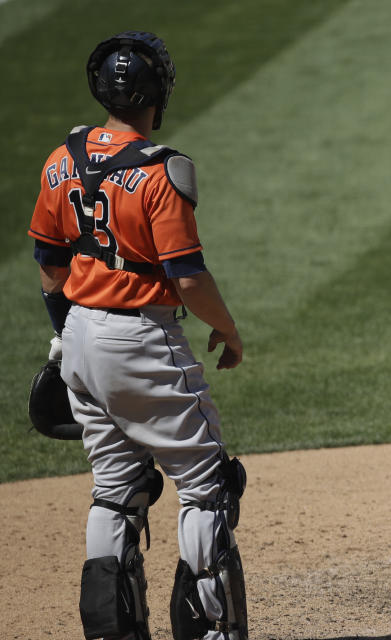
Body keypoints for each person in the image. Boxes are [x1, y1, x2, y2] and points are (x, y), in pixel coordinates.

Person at [28, 31, 248, 639]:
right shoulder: (160, 171)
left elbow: (50, 264)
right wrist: (227, 330)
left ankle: (113, 632)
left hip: (78, 337)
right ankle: (210, 632)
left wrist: (63, 336)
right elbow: (187, 276)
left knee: (114, 490)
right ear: (157, 95)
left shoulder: (59, 159)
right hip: (143, 341)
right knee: (209, 486)